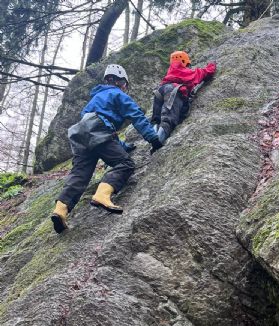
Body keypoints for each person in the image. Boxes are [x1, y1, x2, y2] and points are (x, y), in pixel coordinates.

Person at [51, 64, 162, 234]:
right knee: (125, 164)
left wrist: (124, 146)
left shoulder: (95, 99)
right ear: (120, 82)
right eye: (125, 85)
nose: (125, 88)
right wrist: (153, 138)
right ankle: (102, 195)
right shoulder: (118, 94)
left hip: (80, 133)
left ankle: (60, 209)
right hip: (98, 130)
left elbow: (100, 130)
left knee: (80, 174)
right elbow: (136, 116)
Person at [151, 51, 216, 144]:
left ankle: (153, 137)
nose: (189, 67)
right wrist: (212, 64)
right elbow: (206, 72)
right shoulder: (188, 72)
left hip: (160, 91)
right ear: (184, 62)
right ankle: (159, 140)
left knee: (156, 120)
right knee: (168, 119)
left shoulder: (170, 72)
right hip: (173, 90)